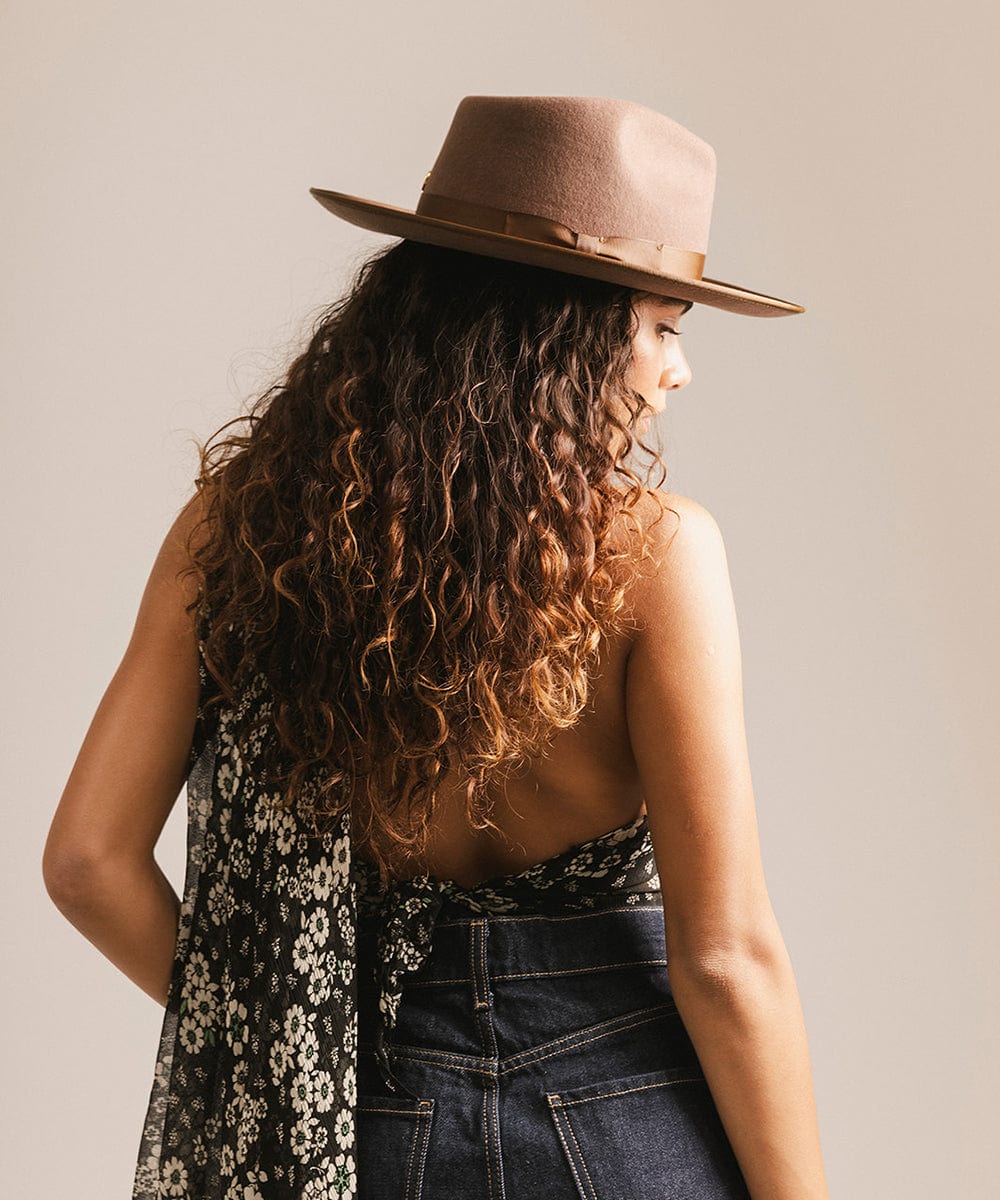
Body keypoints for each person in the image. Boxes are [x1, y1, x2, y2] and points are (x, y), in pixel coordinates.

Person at [42, 95, 830, 1199]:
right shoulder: (656, 556)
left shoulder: (236, 531)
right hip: (621, 1104)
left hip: (363, 1110)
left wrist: (285, 1029)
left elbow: (86, 864)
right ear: (557, 328)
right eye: (661, 324)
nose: (675, 369)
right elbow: (724, 956)